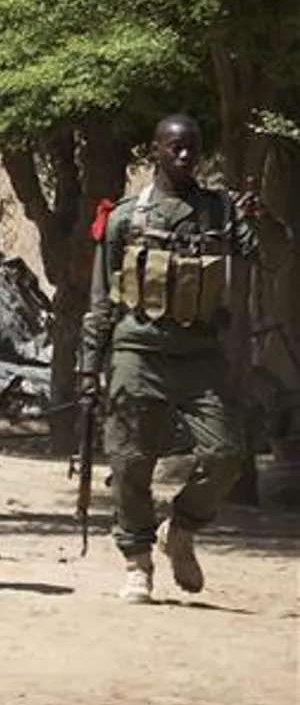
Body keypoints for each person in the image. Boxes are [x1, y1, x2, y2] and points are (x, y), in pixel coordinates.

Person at [79, 114, 289, 604]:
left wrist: (262, 217)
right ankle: (137, 559)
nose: (185, 156)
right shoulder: (126, 217)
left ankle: (184, 528)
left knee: (225, 454)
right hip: (137, 352)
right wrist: (89, 369)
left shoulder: (221, 211)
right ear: (155, 150)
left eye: (192, 148)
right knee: (131, 461)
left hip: (199, 356)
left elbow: (275, 258)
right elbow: (101, 299)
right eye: (175, 148)